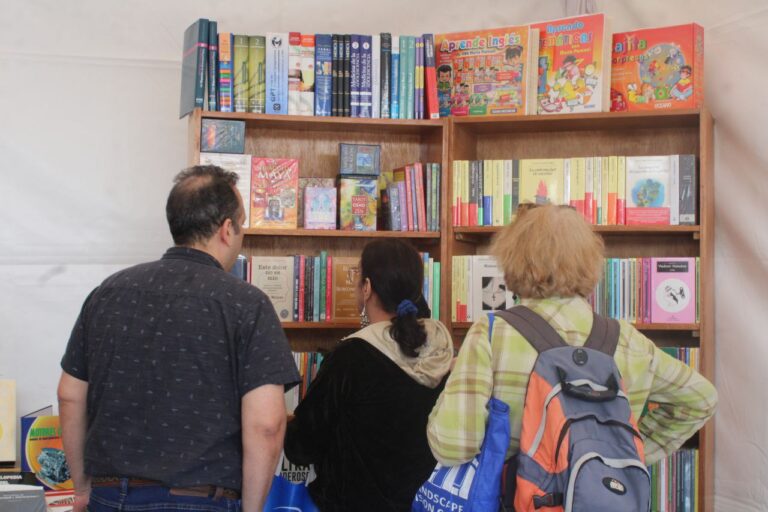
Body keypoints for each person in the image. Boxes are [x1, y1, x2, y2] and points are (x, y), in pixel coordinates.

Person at [58, 165, 300, 512]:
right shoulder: (247, 304)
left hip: (111, 497)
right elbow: (266, 424)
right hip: (203, 500)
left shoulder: (106, 293)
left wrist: (82, 488)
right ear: (227, 229)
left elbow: (69, 394)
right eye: (242, 224)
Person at [427, 204, 717, 474]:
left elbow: (453, 447)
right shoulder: (629, 340)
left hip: (514, 496)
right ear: (591, 261)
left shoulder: (491, 334)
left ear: (512, 259)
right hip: (602, 494)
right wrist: (632, 451)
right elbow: (701, 398)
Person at [284, 239, 453, 511]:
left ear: (367, 287)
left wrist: (282, 422)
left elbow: (301, 447)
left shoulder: (350, 357)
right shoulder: (443, 353)